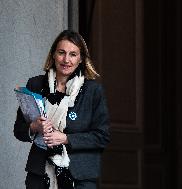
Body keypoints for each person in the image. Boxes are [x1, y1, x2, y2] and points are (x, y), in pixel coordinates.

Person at [14, 30, 110, 189]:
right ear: (53, 55)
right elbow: (18, 130)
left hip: (79, 178)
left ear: (81, 59)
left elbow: (102, 137)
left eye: (73, 54)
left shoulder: (92, 91)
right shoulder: (35, 85)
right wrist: (33, 127)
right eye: (61, 53)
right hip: (39, 175)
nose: (66, 60)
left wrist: (66, 138)